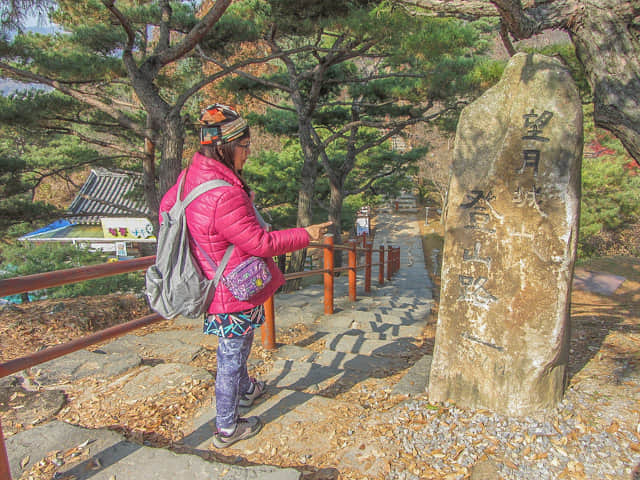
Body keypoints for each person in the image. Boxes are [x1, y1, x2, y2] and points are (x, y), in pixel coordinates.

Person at [159, 103, 331, 449]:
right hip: (230, 292)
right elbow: (261, 243)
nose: (248, 153)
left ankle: (247, 389)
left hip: (218, 279)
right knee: (231, 355)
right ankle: (226, 427)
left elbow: (167, 207)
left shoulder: (194, 175)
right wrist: (306, 234)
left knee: (239, 347)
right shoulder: (224, 194)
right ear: (227, 146)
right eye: (246, 146)